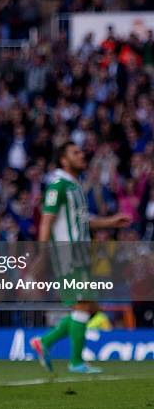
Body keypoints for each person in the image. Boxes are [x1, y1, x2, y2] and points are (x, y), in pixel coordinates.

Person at [30, 142, 131, 373]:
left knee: (91, 307)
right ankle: (76, 362)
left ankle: (44, 342)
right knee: (83, 304)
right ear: (64, 160)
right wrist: (42, 254)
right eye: (75, 153)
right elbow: (47, 220)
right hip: (68, 255)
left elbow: (83, 220)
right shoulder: (57, 185)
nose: (81, 154)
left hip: (81, 255)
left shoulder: (75, 186)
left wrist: (111, 221)